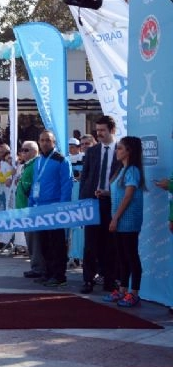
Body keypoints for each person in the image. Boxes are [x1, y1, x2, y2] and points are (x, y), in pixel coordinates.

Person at [78, 116, 122, 294]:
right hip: (92, 202)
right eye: (97, 130)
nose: (99, 133)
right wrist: (82, 203)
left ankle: (109, 280)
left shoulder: (121, 150)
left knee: (110, 243)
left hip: (112, 202)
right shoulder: (92, 151)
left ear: (112, 130)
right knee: (90, 244)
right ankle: (88, 280)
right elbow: (84, 178)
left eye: (103, 130)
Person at [101, 136, 146, 307]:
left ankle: (134, 293)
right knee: (122, 257)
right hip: (119, 220)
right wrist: (105, 193)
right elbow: (119, 193)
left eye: (120, 148)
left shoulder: (132, 170)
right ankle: (122, 290)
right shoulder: (122, 169)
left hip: (128, 220)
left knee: (131, 256)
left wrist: (115, 218)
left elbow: (128, 196)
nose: (117, 151)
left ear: (129, 151)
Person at [28, 130, 73, 287]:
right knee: (44, 244)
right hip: (39, 208)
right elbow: (35, 183)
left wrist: (62, 207)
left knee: (57, 244)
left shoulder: (61, 160)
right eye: (42, 140)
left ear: (54, 142)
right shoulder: (38, 161)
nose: (44, 143)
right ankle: (47, 273)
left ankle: (59, 275)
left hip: (54, 208)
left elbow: (67, 185)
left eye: (48, 140)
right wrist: (31, 204)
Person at [15, 141, 45, 279]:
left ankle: (38, 268)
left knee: (34, 240)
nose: (22, 152)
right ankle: (36, 266)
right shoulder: (27, 165)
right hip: (24, 207)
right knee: (30, 239)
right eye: (22, 150)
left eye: (26, 150)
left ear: (34, 151)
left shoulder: (35, 164)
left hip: (30, 208)